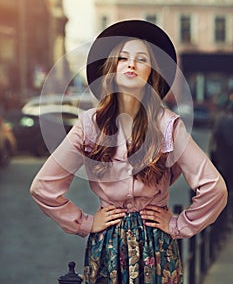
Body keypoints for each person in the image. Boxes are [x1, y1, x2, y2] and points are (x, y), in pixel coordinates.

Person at [30, 20, 228, 284]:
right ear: (111, 70)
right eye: (122, 58)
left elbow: (215, 188)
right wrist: (85, 223)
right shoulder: (90, 125)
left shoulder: (168, 126)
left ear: (151, 74)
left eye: (141, 59)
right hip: (107, 245)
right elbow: (43, 187)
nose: (131, 64)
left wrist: (178, 225)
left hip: (157, 248)